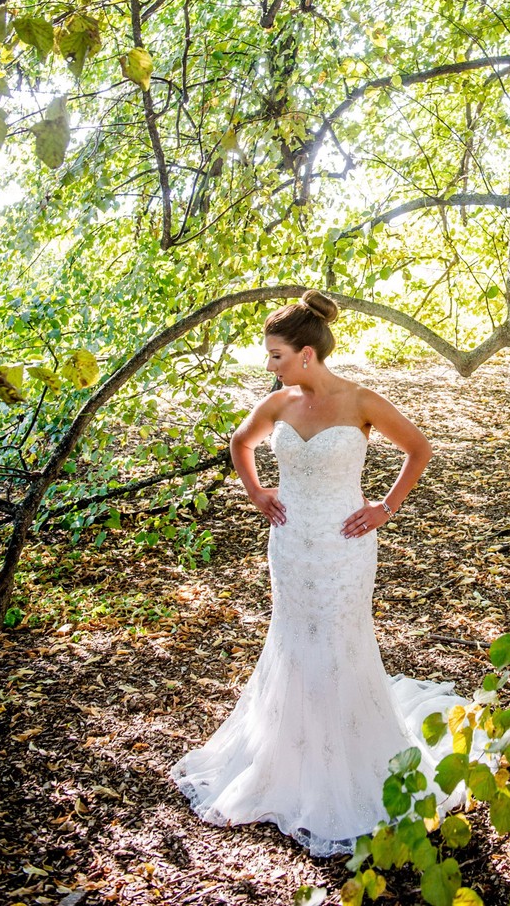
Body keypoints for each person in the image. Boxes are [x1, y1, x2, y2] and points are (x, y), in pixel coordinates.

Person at [170, 289, 469, 856]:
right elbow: (240, 443)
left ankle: (347, 755)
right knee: (291, 639)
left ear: (307, 354)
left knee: (338, 639)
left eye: (276, 355)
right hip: (290, 544)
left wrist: (385, 507)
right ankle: (289, 753)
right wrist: (258, 494)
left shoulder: (361, 401)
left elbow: (419, 449)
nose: (270, 365)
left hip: (344, 546)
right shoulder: (279, 404)